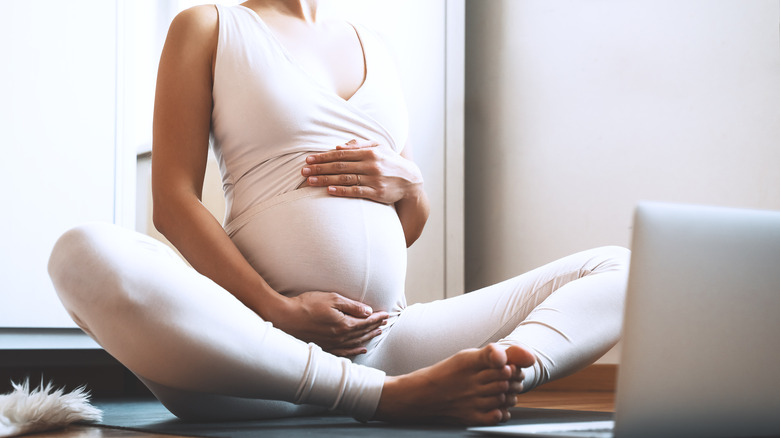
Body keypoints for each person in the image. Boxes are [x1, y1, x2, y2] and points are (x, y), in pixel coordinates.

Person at [48, 0, 630, 426]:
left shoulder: (376, 46)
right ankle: (381, 400)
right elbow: (173, 203)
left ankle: (496, 379)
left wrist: (413, 183)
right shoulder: (208, 26)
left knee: (622, 268)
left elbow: (404, 224)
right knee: (80, 253)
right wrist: (276, 308)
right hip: (253, 353)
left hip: (390, 342)